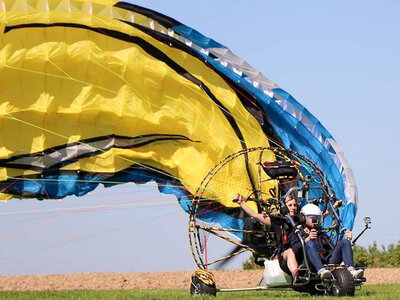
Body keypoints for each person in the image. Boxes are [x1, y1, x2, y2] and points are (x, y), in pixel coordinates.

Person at [234, 193, 299, 278]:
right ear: (284, 208)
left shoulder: (300, 220)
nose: (293, 208)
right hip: (285, 256)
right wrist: (241, 203)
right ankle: (297, 276)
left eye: (295, 205)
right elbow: (255, 215)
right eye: (290, 205)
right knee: (290, 252)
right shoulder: (278, 222)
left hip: (299, 253)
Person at [292, 203, 364, 279]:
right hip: (309, 263)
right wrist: (307, 239)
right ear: (303, 218)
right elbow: (295, 249)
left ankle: (351, 270)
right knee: (310, 244)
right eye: (313, 218)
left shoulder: (321, 234)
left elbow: (332, 249)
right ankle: (321, 270)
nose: (316, 221)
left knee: (345, 242)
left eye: (318, 218)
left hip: (326, 261)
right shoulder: (298, 232)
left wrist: (347, 238)